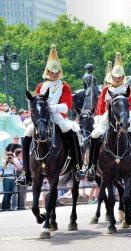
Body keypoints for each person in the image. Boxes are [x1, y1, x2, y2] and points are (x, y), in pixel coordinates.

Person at [77, 52, 131, 181]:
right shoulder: (106, 90)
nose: (117, 79)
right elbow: (99, 107)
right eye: (115, 77)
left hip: (125, 118)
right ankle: (92, 167)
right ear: (112, 76)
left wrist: (127, 118)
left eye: (119, 76)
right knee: (94, 135)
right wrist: (99, 119)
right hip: (108, 119)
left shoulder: (129, 90)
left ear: (123, 76)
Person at [16, 44, 82, 186]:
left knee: (70, 132)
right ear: (48, 71)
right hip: (43, 117)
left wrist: (54, 107)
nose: (54, 74)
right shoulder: (41, 86)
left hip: (57, 115)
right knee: (27, 135)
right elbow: (35, 102)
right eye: (52, 71)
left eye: (56, 71)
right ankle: (25, 173)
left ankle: (77, 167)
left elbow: (67, 105)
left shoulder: (64, 86)